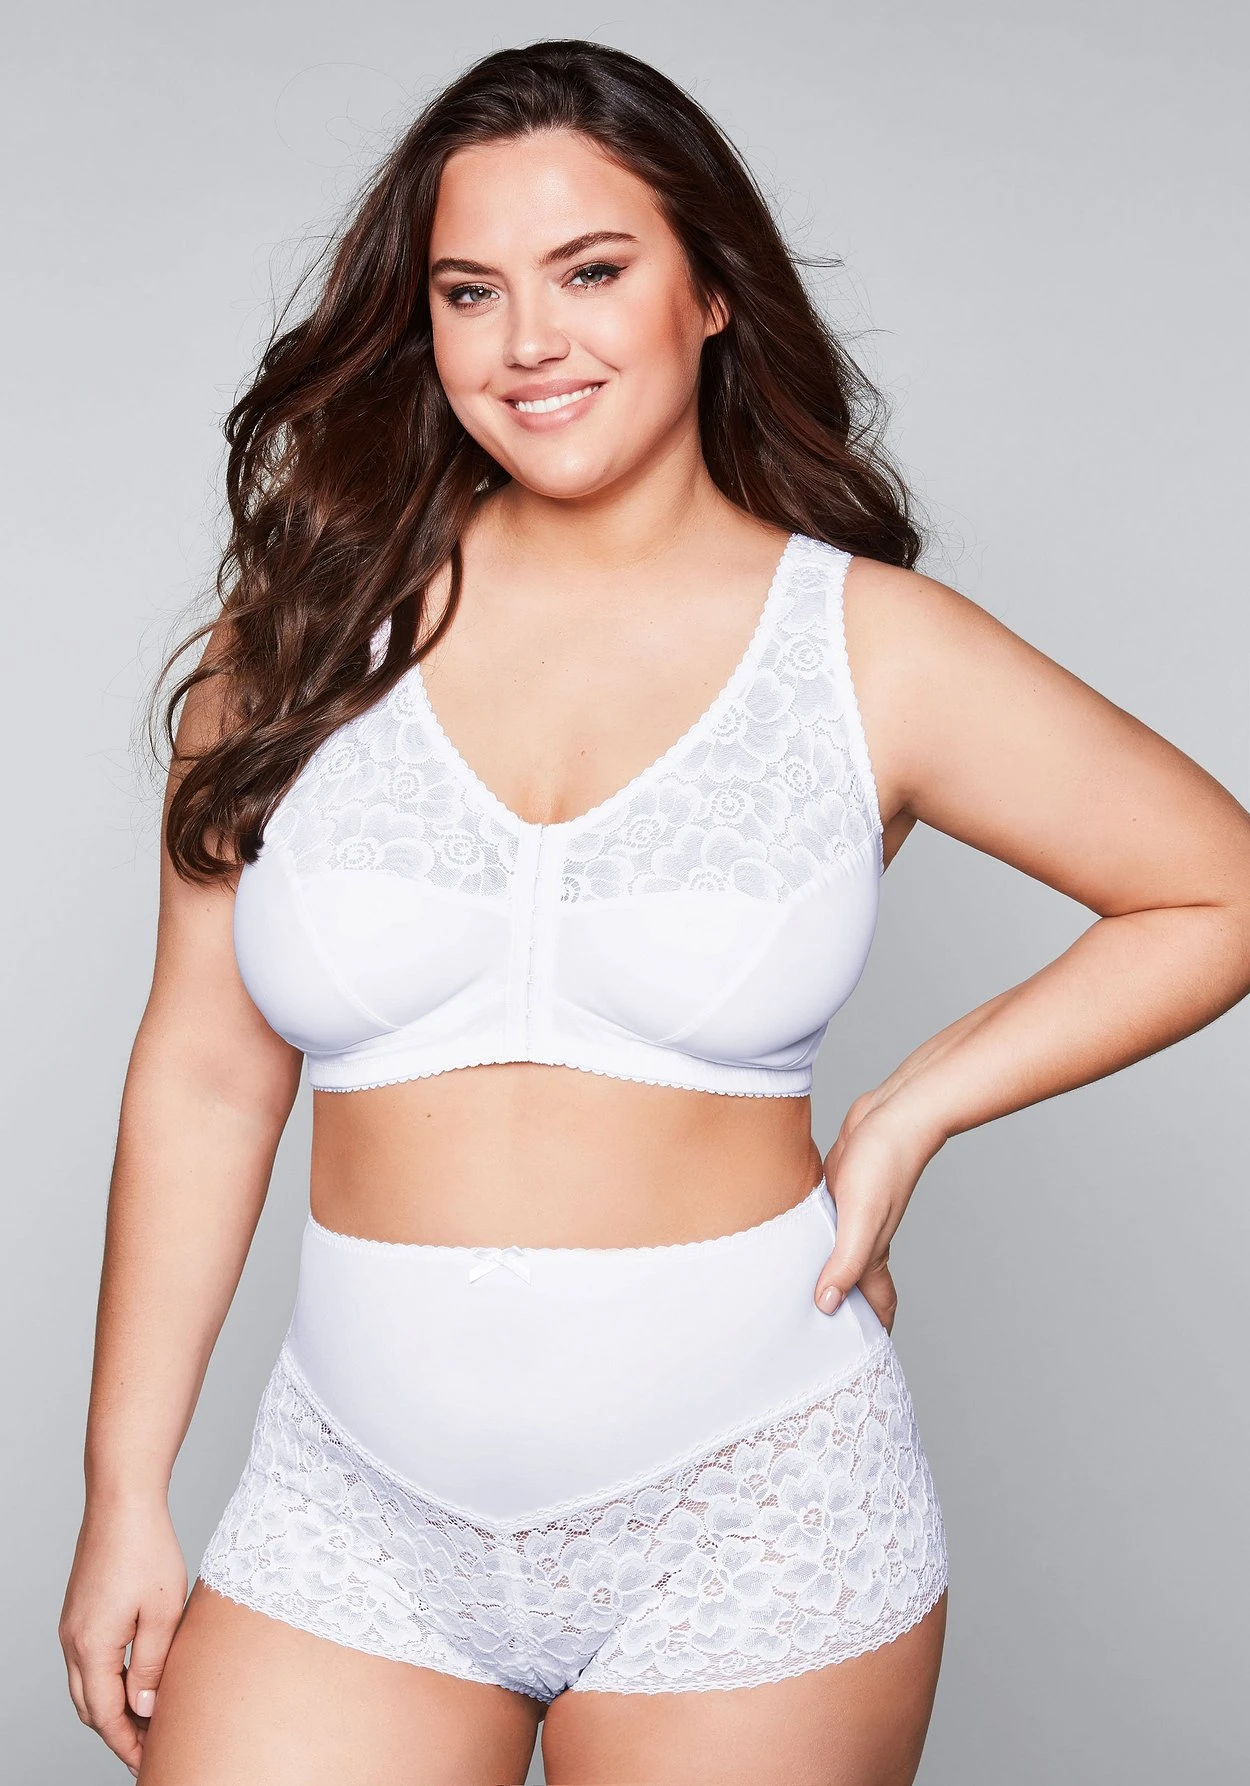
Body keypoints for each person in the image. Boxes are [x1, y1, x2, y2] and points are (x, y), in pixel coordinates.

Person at [58, 36, 1250, 1786]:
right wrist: (123, 1492)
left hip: (752, 1508)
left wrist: (911, 1108)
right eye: (470, 291)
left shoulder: (863, 647)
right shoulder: (296, 645)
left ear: (710, 290)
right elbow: (204, 1077)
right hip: (350, 1513)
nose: (528, 341)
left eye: (592, 271)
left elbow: (1212, 883)